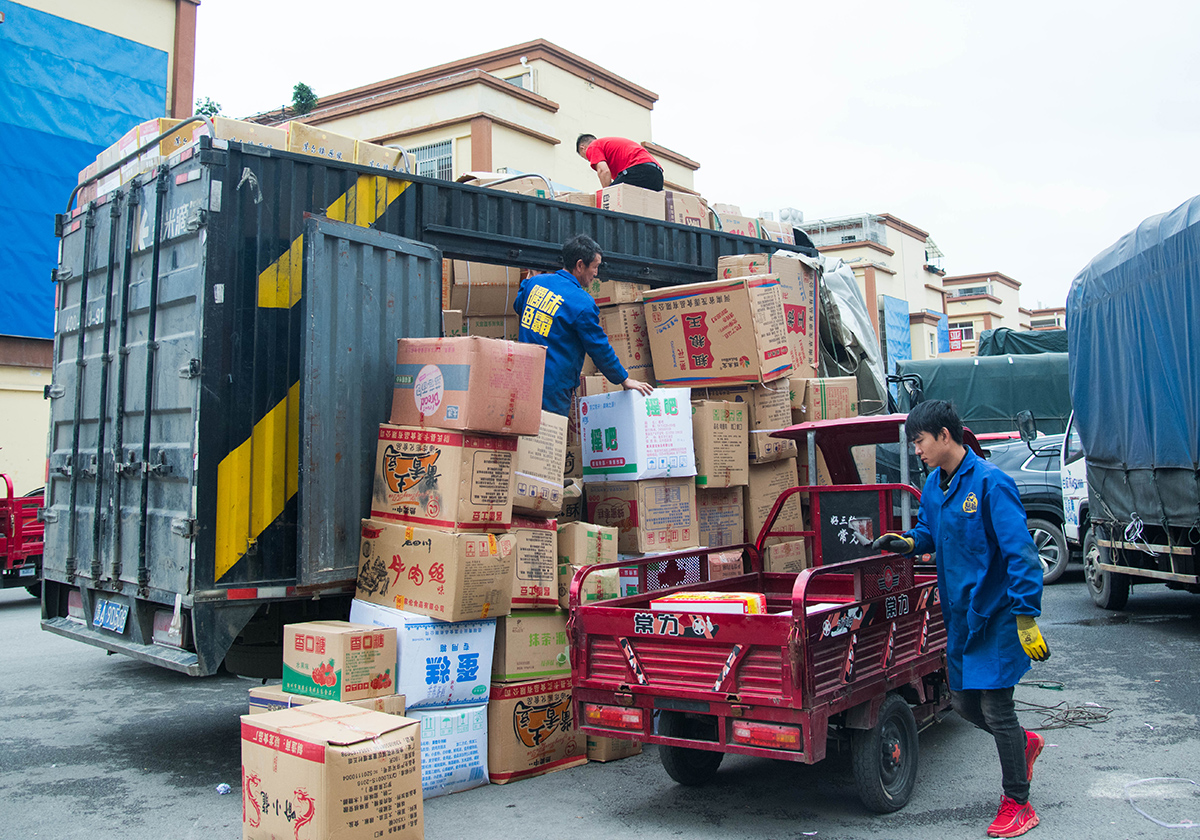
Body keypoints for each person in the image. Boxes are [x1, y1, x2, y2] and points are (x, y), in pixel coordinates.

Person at [872, 400, 1050, 838]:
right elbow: (931, 533)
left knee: (996, 707)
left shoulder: (992, 483)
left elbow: (1022, 554)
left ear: (945, 436)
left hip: (999, 615)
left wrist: (1027, 615)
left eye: (920, 441)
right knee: (963, 702)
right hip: (961, 617)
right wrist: (908, 542)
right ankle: (1022, 745)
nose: (917, 450)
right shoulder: (934, 485)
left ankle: (1018, 802)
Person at [514, 234, 654, 416]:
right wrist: (623, 378)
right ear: (580, 265)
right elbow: (598, 347)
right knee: (549, 440)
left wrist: (529, 279)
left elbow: (519, 306)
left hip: (521, 377)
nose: (596, 273)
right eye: (595, 267)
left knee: (522, 435)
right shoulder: (582, 303)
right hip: (552, 388)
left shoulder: (536, 283)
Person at [576, 134, 664, 191]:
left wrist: (608, 196)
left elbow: (603, 171)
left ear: (583, 147)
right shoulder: (608, 145)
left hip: (639, 169)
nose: (590, 160)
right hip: (657, 175)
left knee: (615, 199)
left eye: (586, 158)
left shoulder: (593, 146)